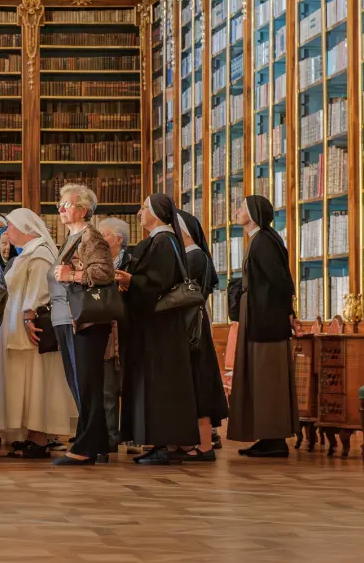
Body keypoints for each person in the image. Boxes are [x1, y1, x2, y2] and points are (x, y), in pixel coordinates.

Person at [113, 194, 201, 465]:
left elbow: (158, 282)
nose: (139, 212)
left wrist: (130, 280)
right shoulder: (157, 241)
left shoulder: (164, 241)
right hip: (155, 328)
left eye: (143, 208)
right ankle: (157, 442)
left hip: (160, 330)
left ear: (157, 213)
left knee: (159, 386)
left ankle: (161, 445)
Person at [0, 209, 75, 459]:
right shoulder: (28, 253)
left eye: (11, 227)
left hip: (33, 329)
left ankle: (38, 438)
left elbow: (40, 292)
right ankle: (31, 435)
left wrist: (28, 317)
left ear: (26, 229)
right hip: (20, 329)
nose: (7, 232)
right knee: (27, 384)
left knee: (38, 383)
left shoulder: (39, 254)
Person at [49, 185, 116, 466]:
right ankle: (95, 441)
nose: (61, 209)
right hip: (67, 319)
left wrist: (73, 274)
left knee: (86, 385)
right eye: (60, 205)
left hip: (84, 322)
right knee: (79, 385)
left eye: (66, 204)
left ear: (83, 210)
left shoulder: (91, 236)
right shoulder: (71, 237)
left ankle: (87, 446)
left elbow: (104, 271)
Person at [228, 195, 299, 458]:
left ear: (254, 213)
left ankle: (274, 438)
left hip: (266, 321)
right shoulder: (258, 240)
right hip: (258, 316)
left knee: (268, 377)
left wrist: (285, 314)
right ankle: (267, 436)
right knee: (259, 377)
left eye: (241, 208)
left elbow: (281, 282)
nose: (237, 211)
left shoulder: (264, 242)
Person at [175, 209, 230, 462]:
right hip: (192, 322)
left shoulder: (195, 255)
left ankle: (205, 445)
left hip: (193, 326)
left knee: (199, 381)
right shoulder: (191, 254)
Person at [98, 216, 133, 450]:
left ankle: (131, 435)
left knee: (129, 386)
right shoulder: (96, 263)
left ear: (118, 239)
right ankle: (109, 437)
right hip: (104, 332)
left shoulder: (134, 263)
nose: (99, 240)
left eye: (104, 235)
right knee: (106, 388)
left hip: (128, 332)